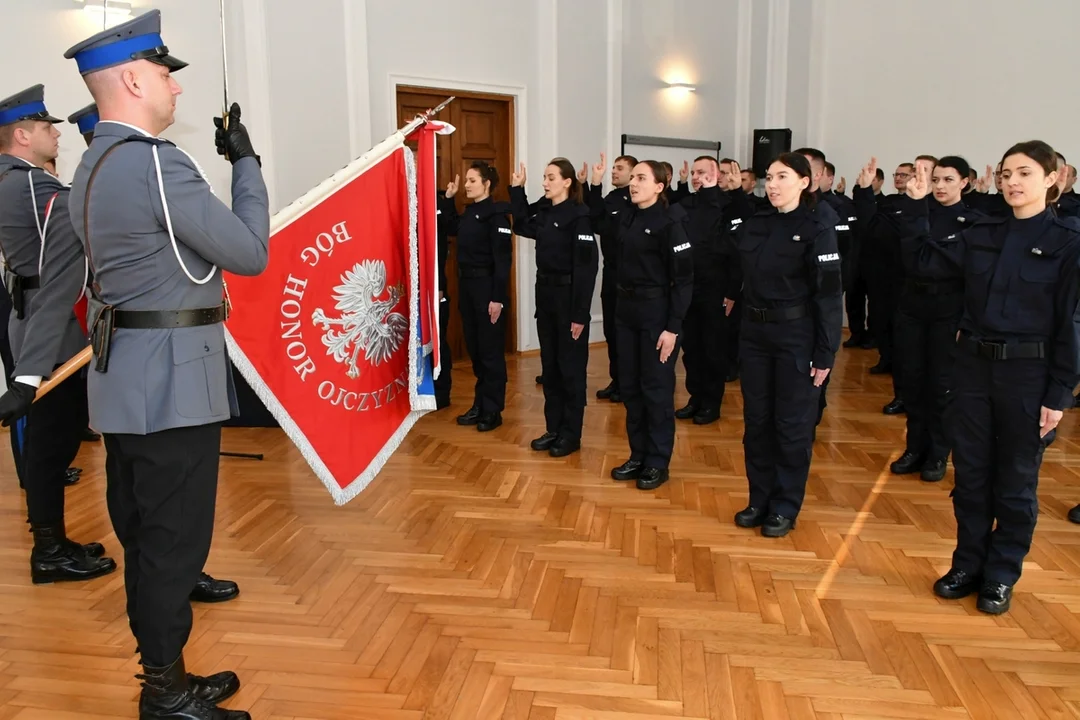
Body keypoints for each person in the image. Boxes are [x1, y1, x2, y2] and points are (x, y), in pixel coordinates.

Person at [63, 9, 269, 718]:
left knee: (147, 535)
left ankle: (165, 677)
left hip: (125, 380)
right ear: (128, 77)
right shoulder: (156, 161)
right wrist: (246, 161)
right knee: (172, 546)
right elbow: (247, 251)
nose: (175, 90)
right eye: (162, 74)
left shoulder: (92, 162)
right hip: (174, 383)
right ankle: (166, 694)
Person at [897, 142, 1080, 615]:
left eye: (1024, 172)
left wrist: (1060, 394)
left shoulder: (1068, 242)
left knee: (1016, 483)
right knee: (972, 475)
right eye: (1005, 174)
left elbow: (1072, 325)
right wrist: (916, 207)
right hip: (974, 371)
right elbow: (923, 261)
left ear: (1053, 178)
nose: (1013, 182)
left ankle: (1001, 575)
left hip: (1029, 375)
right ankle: (967, 565)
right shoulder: (981, 231)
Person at [0, 85, 116, 584]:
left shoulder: (9, 178)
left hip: (36, 315)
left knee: (58, 436)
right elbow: (83, 211)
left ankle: (53, 542)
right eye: (48, 128)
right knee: (52, 442)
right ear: (22, 135)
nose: (55, 135)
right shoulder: (26, 183)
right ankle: (47, 551)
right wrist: (106, 150)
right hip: (52, 326)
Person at [726, 153, 843, 537]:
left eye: (782, 177)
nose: (772, 184)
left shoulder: (816, 226)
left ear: (804, 182)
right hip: (755, 335)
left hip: (796, 336)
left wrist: (825, 351)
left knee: (791, 426)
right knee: (757, 423)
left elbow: (828, 296)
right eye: (769, 177)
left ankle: (784, 505)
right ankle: (759, 498)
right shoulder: (758, 223)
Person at [871, 155, 982, 482]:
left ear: (965, 182)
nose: (940, 186)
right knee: (913, 382)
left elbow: (942, 264)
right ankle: (914, 448)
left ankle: (937, 454)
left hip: (948, 310)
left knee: (941, 386)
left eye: (948, 180)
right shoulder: (917, 212)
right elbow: (904, 255)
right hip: (912, 308)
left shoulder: (971, 222)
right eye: (936, 180)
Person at [609, 161, 693, 490]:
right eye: (632, 178)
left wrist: (672, 328)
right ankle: (638, 454)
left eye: (641, 178)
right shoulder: (627, 216)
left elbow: (684, 280)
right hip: (626, 312)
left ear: (660, 186)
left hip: (657, 314)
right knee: (630, 387)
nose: (633, 183)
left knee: (655, 390)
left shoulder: (671, 222)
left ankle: (658, 461)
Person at [509, 158, 597, 457]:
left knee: (570, 371)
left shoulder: (579, 216)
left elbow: (587, 269)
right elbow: (521, 224)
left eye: (550, 178)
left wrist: (580, 314)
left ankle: (571, 435)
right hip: (546, 298)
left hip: (569, 299)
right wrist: (518, 190)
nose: (545, 183)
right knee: (551, 368)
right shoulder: (545, 211)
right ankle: (554, 428)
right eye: (544, 177)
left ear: (567, 182)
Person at [440, 162, 512, 431]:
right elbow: (450, 227)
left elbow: (503, 262)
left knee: (491, 352)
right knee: (476, 350)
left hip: (487, 289)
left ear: (487, 184)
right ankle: (480, 404)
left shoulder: (496, 216)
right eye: (467, 180)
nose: (467, 185)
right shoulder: (471, 214)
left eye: (472, 180)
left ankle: (493, 410)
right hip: (468, 287)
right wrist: (448, 200)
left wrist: (497, 298)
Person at [675, 156, 743, 425]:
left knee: (713, 349)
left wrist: (732, 291)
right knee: (691, 348)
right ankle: (695, 398)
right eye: (693, 172)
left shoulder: (728, 206)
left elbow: (738, 254)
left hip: (717, 289)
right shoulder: (686, 204)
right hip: (688, 288)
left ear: (716, 175)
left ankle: (711, 403)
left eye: (702, 172)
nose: (696, 177)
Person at [584, 152, 636, 404]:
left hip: (633, 276)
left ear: (632, 173)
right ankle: (617, 380)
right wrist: (595, 184)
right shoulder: (612, 198)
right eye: (613, 168)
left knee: (628, 334)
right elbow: (595, 221)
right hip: (611, 273)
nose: (614, 172)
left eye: (619, 168)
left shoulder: (637, 200)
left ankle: (630, 384)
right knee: (611, 331)